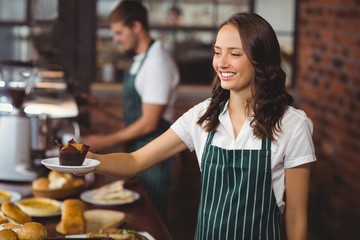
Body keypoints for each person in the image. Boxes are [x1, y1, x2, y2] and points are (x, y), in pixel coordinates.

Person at [84, 12, 316, 239]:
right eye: (217, 52)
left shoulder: (292, 124)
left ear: (261, 60)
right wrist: (85, 160)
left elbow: (296, 216)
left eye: (234, 53)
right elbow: (134, 162)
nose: (221, 63)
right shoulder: (203, 116)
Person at [81, 0, 180, 221]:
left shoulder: (157, 63)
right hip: (136, 152)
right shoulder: (140, 60)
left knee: (151, 219)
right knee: (134, 217)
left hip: (155, 156)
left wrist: (103, 142)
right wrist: (100, 106)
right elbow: (136, 114)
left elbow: (149, 122)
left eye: (119, 32)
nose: (116, 39)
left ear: (136, 26)